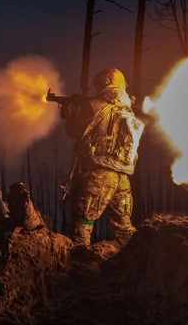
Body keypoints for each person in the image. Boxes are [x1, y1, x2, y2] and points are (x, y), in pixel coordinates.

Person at [62, 68, 146, 247]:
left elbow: (75, 131)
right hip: (122, 177)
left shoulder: (93, 106)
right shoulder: (128, 110)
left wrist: (70, 114)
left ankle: (79, 268)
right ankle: (141, 260)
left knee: (82, 225)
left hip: (99, 174)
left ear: (103, 83)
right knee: (124, 228)